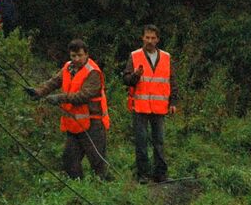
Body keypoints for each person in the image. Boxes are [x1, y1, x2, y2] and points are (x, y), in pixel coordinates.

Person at [28, 37, 112, 179]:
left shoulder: (93, 72)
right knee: (70, 160)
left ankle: (107, 189)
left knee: (97, 162)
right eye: (73, 56)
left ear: (86, 54)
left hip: (93, 123)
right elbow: (54, 82)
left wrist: (59, 98)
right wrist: (38, 92)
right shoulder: (68, 67)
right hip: (74, 123)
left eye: (80, 55)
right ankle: (78, 189)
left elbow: (83, 96)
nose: (77, 59)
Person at [122, 24, 172, 183]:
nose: (149, 40)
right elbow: (126, 80)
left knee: (159, 142)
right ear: (142, 38)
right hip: (140, 106)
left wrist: (173, 102)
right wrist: (135, 76)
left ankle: (160, 174)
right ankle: (143, 174)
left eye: (153, 38)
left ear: (158, 39)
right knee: (141, 142)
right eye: (147, 37)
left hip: (159, 107)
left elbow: (173, 81)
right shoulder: (134, 56)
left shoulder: (166, 57)